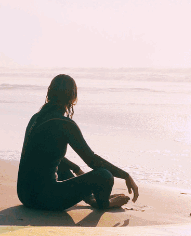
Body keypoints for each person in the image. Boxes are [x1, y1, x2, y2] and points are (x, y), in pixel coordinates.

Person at [17, 74, 138, 211]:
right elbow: (92, 160)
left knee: (60, 165)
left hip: (25, 196)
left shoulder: (35, 118)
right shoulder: (65, 124)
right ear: (73, 97)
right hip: (46, 200)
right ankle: (103, 204)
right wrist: (126, 176)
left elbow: (46, 154)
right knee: (104, 175)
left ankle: (91, 198)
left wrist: (76, 169)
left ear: (49, 92)